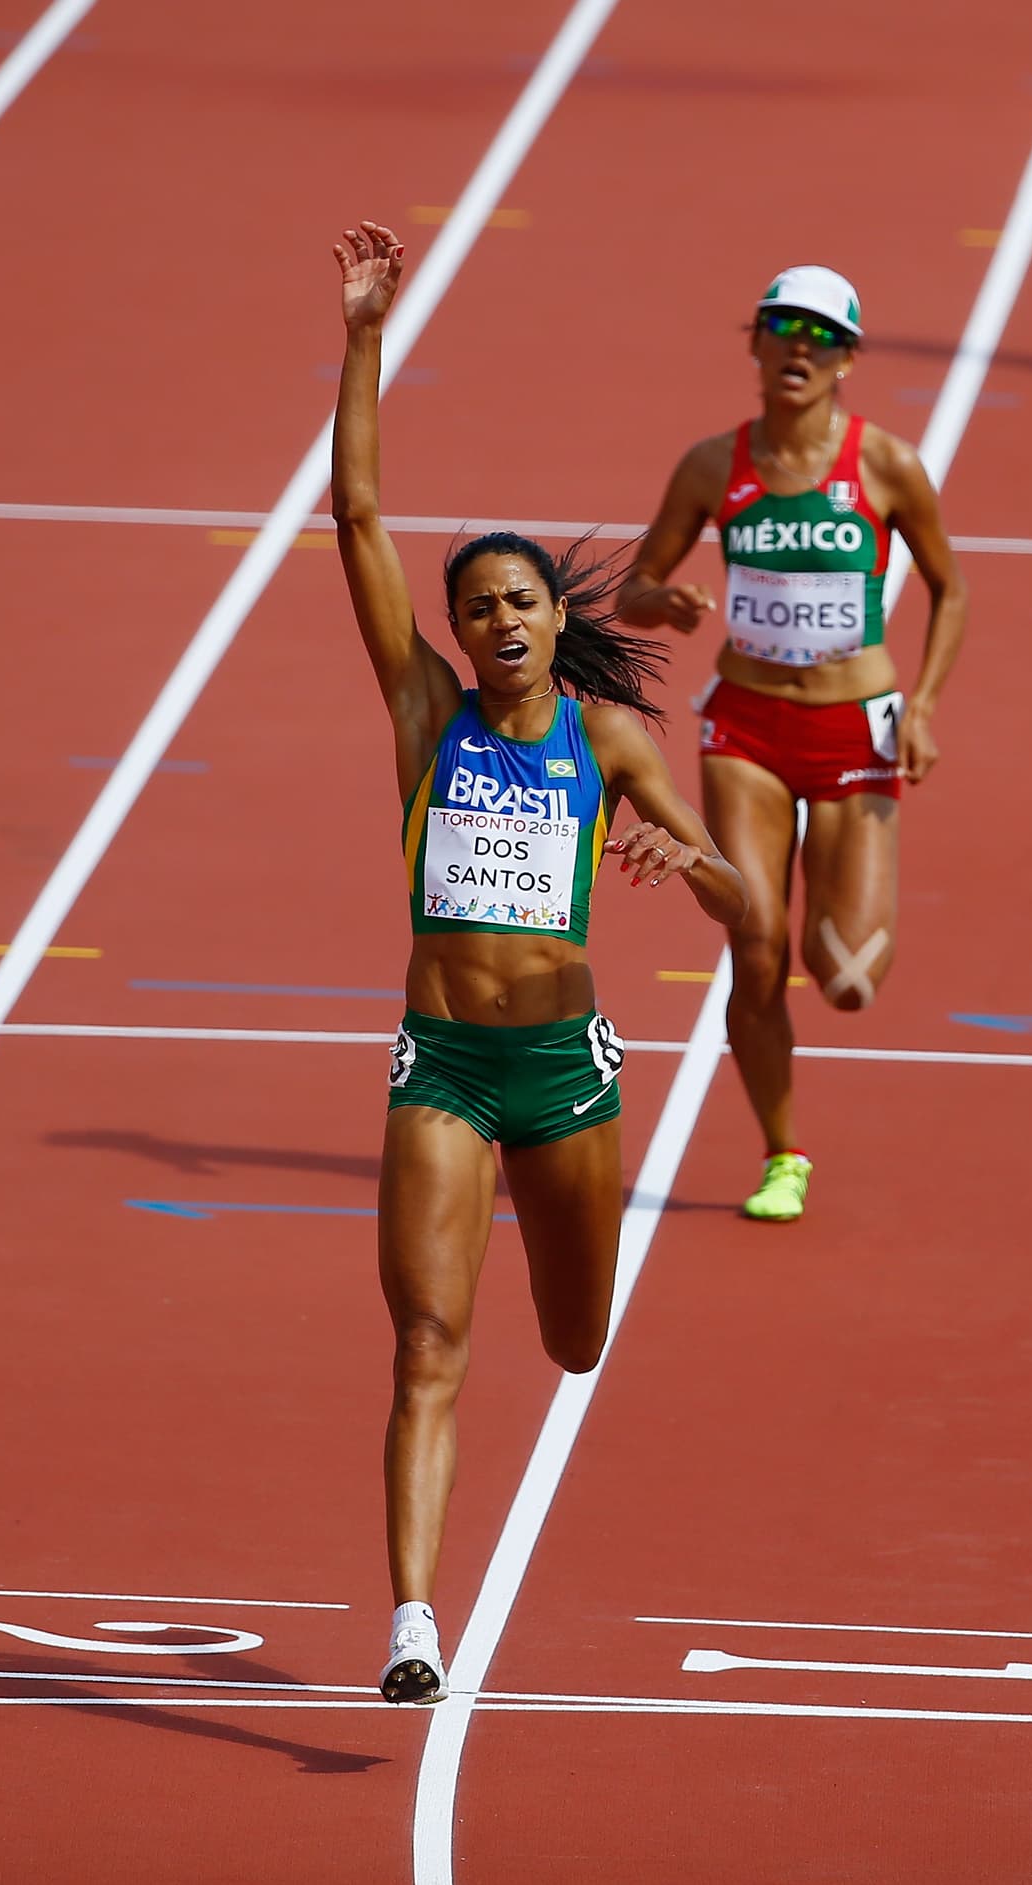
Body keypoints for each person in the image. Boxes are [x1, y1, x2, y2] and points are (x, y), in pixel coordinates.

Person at [330, 223, 747, 1705]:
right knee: (427, 1341)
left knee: (574, 1343)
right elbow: (363, 513)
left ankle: (566, 1316)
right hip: (441, 1064)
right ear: (453, 636)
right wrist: (366, 332)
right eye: (477, 607)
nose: (499, 621)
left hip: (563, 1075)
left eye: (521, 601)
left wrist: (681, 856)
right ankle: (413, 1623)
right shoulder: (422, 720)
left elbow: (744, 919)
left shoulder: (610, 741)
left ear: (558, 620)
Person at [618, 265, 967, 1222]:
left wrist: (924, 706)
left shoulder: (887, 464)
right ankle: (784, 1155)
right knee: (755, 943)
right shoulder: (710, 465)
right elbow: (632, 588)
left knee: (848, 979)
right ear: (757, 344)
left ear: (848, 358)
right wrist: (670, 603)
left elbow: (953, 588)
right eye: (784, 328)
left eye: (822, 335)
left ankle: (858, 857)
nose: (800, 348)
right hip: (746, 727)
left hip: (858, 725)